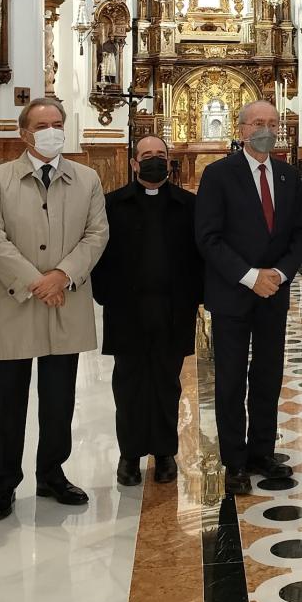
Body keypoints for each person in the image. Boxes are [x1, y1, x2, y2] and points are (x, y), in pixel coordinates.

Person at [0, 97, 108, 520]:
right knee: (7, 399)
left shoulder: (86, 178)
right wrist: (37, 281)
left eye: (57, 123)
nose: (51, 130)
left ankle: (52, 472)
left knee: (59, 397)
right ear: (24, 133)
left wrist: (62, 276)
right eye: (42, 124)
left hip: (64, 299)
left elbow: (96, 234)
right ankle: (3, 484)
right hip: (16, 300)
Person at [195, 100, 302, 495]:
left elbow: (300, 234)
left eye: (272, 123)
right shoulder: (217, 174)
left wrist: (277, 274)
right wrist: (249, 276)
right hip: (233, 293)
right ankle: (234, 460)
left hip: (273, 293)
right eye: (258, 122)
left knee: (268, 375)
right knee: (230, 379)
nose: (266, 128)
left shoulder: (288, 175)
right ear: (241, 128)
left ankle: (262, 451)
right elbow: (208, 237)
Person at [92, 134, 203, 487]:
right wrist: (107, 295)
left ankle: (165, 452)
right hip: (127, 309)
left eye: (160, 154)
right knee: (128, 383)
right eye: (147, 155)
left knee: (167, 382)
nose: (154, 159)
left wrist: (193, 298)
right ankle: (130, 454)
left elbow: (199, 257)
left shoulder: (188, 204)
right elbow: (99, 256)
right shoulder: (112, 204)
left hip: (173, 309)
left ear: (168, 160)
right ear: (134, 163)